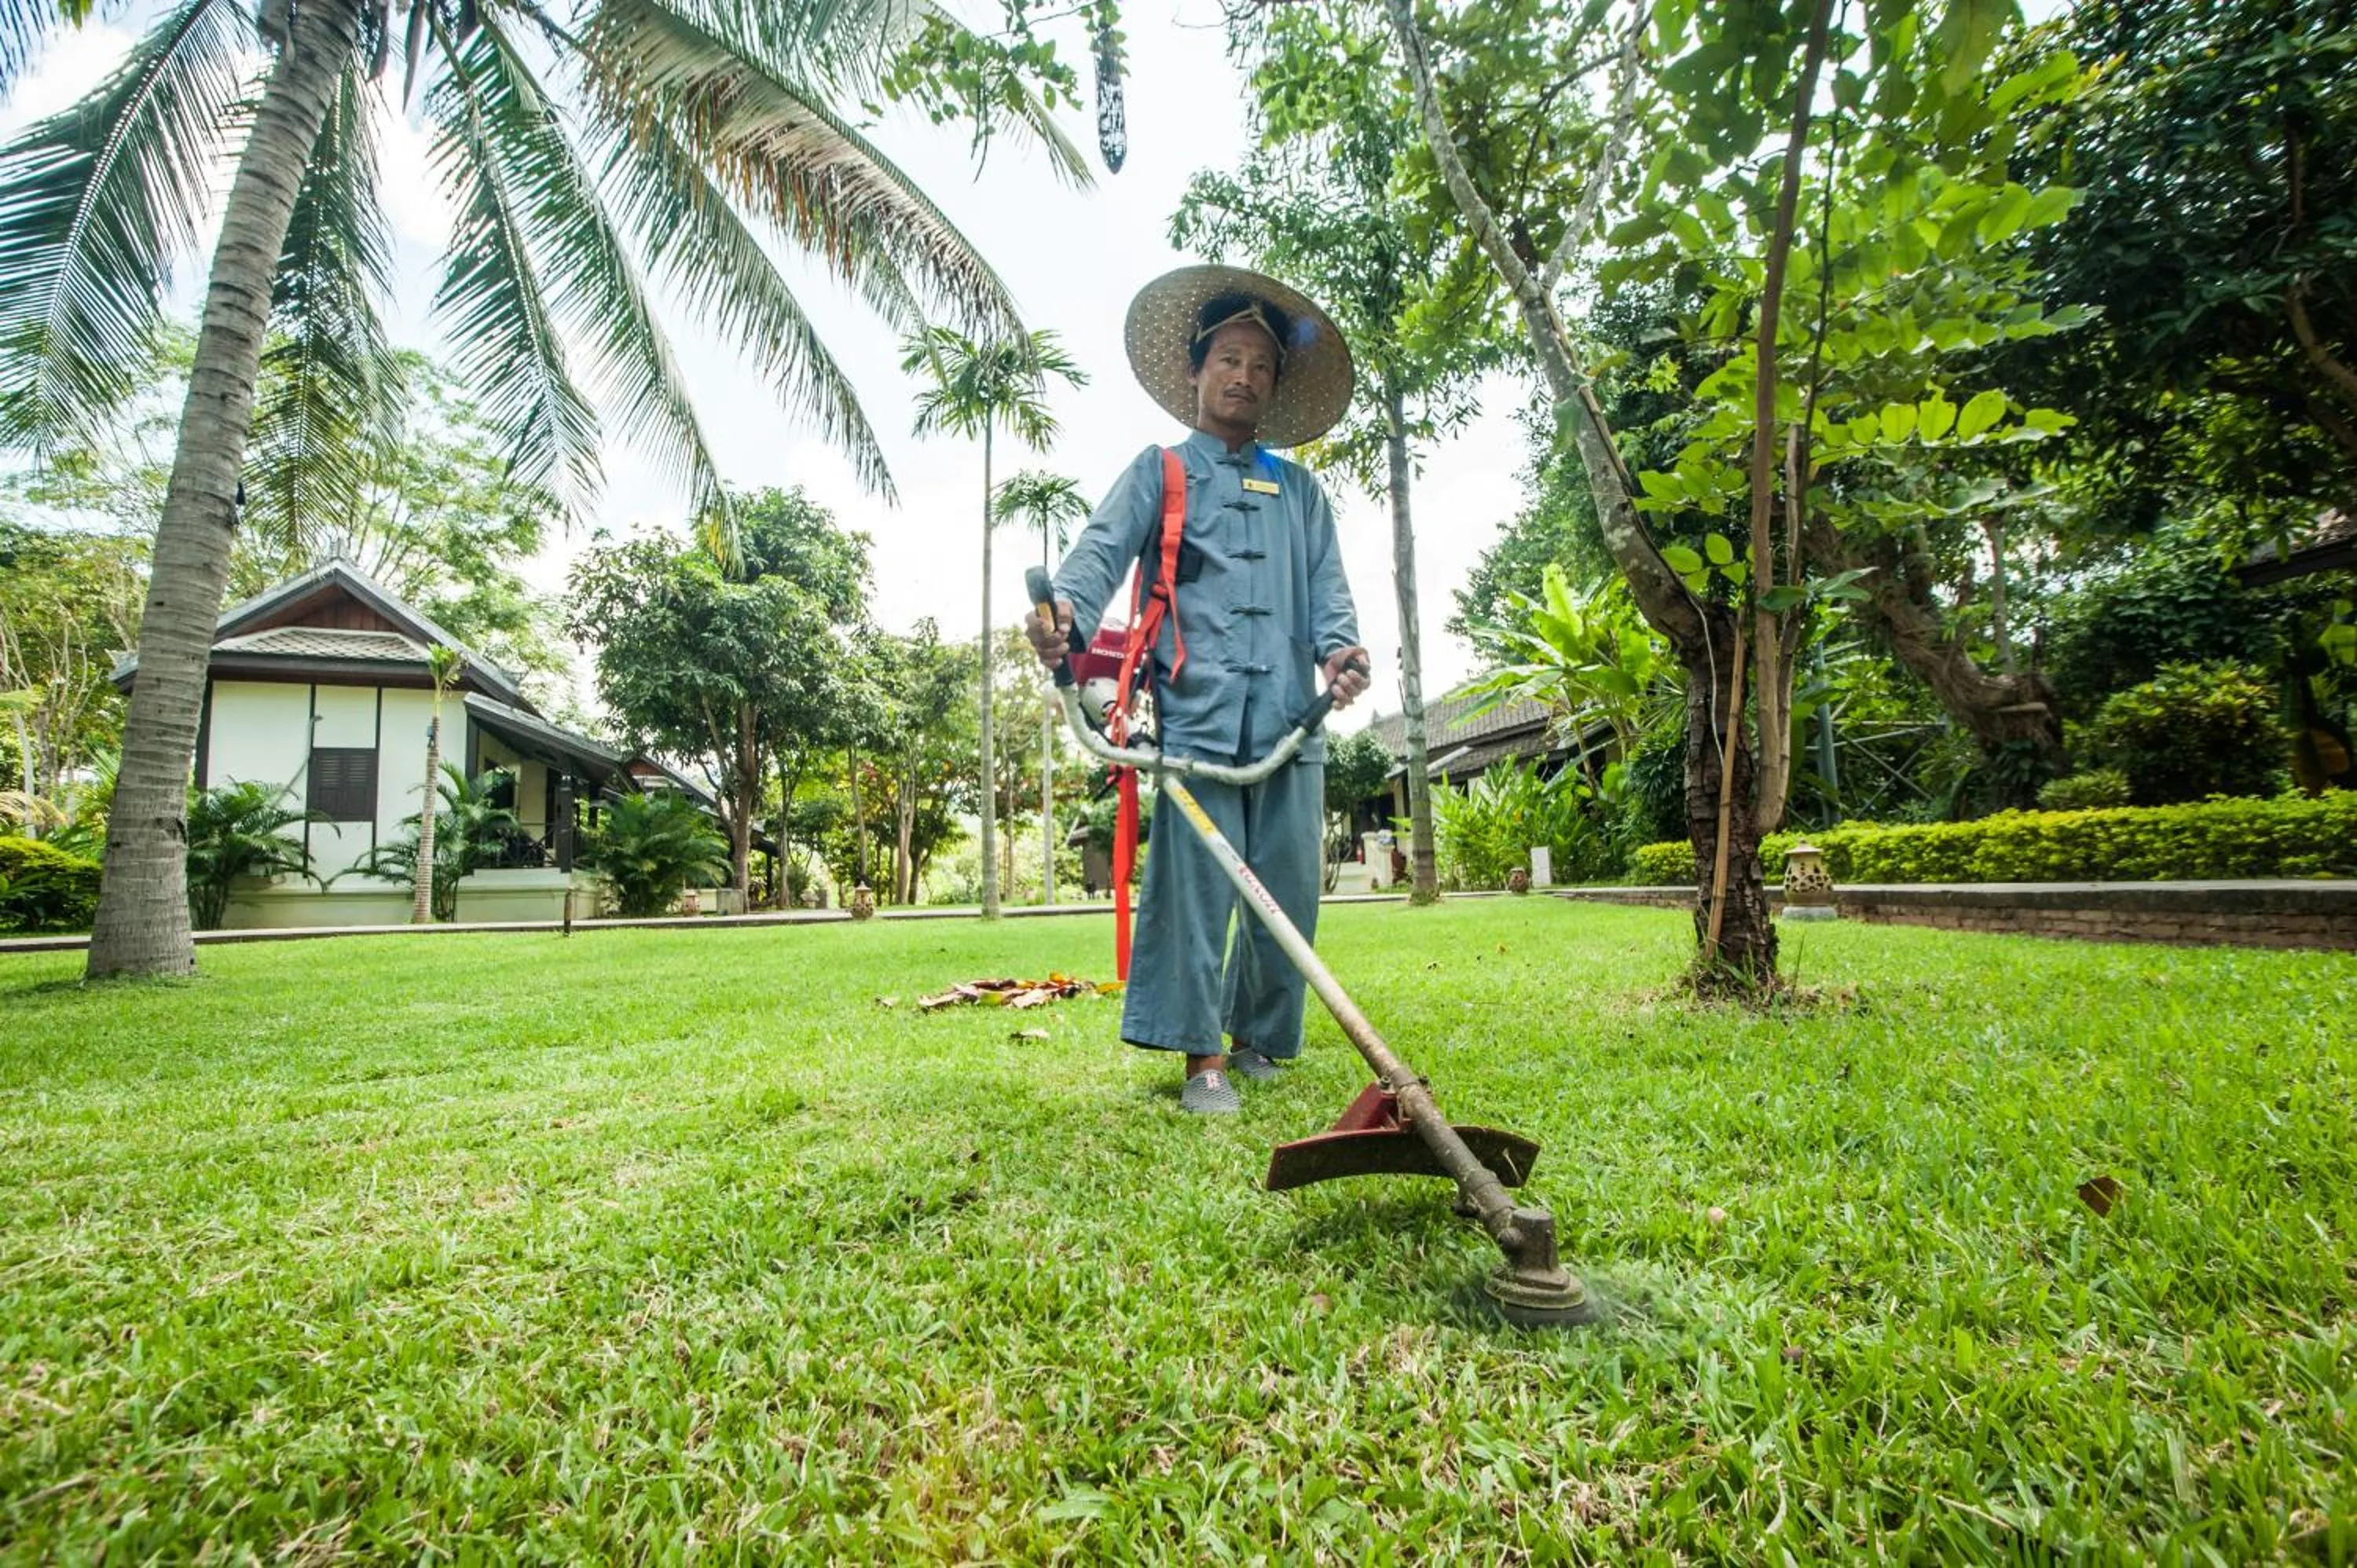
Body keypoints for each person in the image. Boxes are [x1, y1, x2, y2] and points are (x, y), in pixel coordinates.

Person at [1026, 266, 1371, 1114]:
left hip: (1292, 721)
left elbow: (1330, 595)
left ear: (1275, 385)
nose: (1243, 375)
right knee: (1196, 888)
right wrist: (1061, 613)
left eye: (1260, 363)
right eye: (1228, 358)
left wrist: (1342, 655)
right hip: (1197, 714)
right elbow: (1098, 559)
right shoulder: (1161, 471)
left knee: (1288, 885)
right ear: (1195, 372)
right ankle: (1200, 1054)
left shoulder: (1303, 494)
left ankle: (1258, 1037)